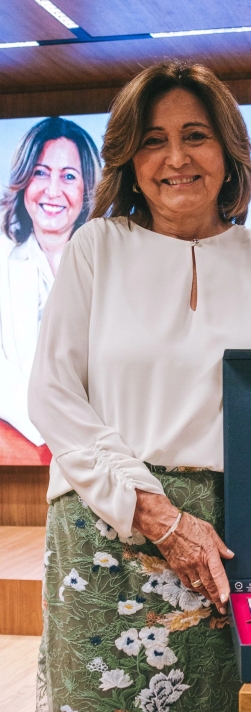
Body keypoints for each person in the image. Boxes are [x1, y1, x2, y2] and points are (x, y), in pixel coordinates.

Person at [28, 62, 251, 712]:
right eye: (153, 140)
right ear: (131, 159)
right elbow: (54, 395)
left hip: (229, 548)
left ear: (229, 152)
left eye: (196, 135)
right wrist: (155, 514)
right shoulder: (96, 249)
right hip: (105, 543)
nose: (176, 157)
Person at [0, 116, 101, 460]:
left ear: (88, 189)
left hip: (104, 458)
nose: (52, 190)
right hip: (27, 451)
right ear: (23, 180)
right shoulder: (2, 257)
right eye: (41, 172)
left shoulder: (114, 262)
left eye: (69, 176)